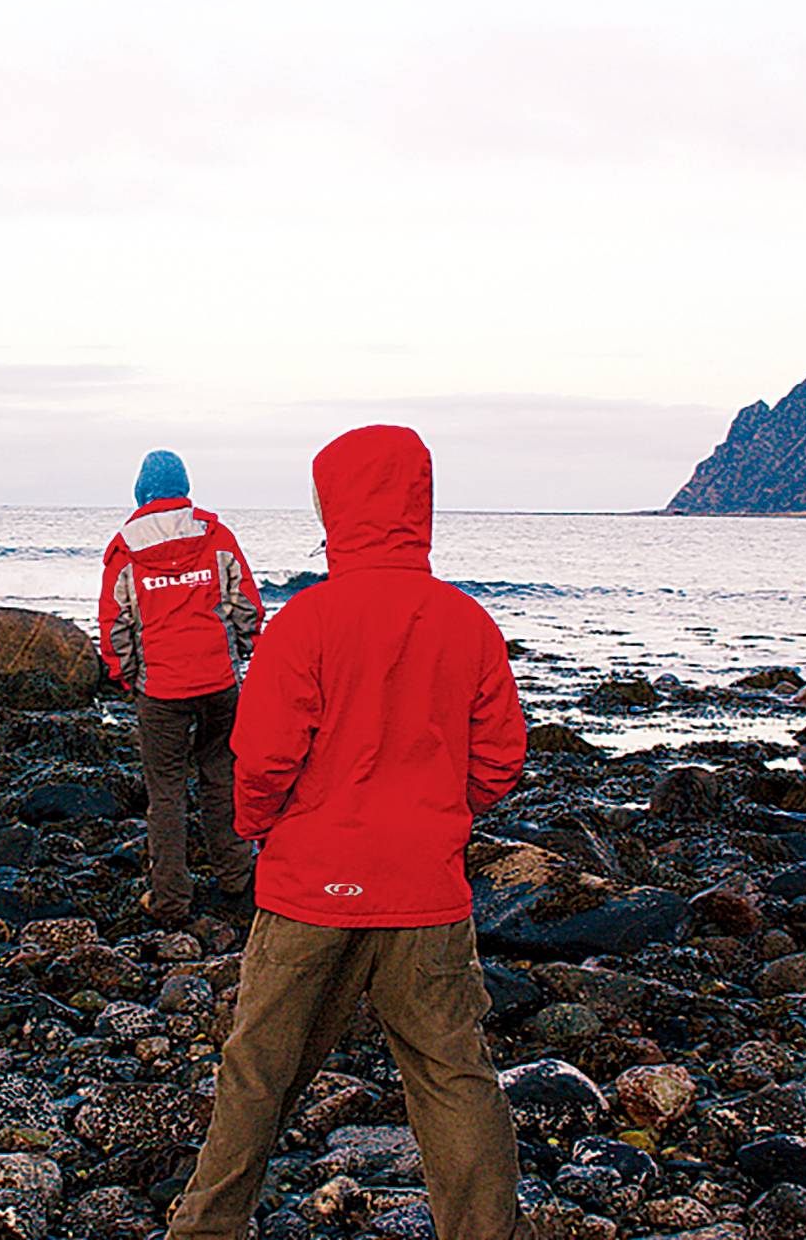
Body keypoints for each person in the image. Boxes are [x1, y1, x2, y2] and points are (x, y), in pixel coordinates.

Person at [167, 425, 533, 1240]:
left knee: (257, 1072)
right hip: (424, 891)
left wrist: (265, 828)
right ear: (419, 507)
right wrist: (445, 815)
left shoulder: (307, 621)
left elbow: (261, 758)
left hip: (310, 887)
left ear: (334, 509)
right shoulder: (465, 622)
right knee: (454, 1076)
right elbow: (501, 757)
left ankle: (207, 1228)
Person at [99, 449, 266, 928]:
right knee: (222, 779)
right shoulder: (216, 537)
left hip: (162, 692)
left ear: (141, 493)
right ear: (184, 489)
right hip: (219, 685)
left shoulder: (124, 549)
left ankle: (171, 900)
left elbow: (116, 626)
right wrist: (244, 649)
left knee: (167, 796)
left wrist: (128, 675)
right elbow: (246, 607)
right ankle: (234, 878)